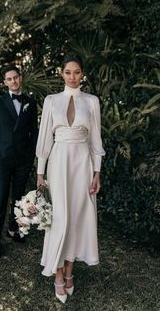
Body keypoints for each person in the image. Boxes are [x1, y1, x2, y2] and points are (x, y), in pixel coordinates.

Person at [36, 53, 105, 303]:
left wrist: (97, 171)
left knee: (77, 218)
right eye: (68, 72)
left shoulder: (92, 101)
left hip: (83, 165)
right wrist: (40, 173)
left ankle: (69, 272)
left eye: (76, 72)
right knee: (59, 218)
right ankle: (56, 274)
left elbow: (96, 139)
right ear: (61, 73)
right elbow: (44, 138)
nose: (72, 77)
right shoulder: (51, 101)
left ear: (82, 73)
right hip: (58, 163)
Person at [0, 64, 38, 259]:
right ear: (5, 82)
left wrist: (32, 154)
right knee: (1, 199)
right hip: (3, 158)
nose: (13, 81)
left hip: (23, 159)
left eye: (15, 77)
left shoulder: (30, 103)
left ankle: (13, 229)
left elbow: (34, 131)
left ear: (20, 77)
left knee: (18, 197)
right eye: (9, 79)